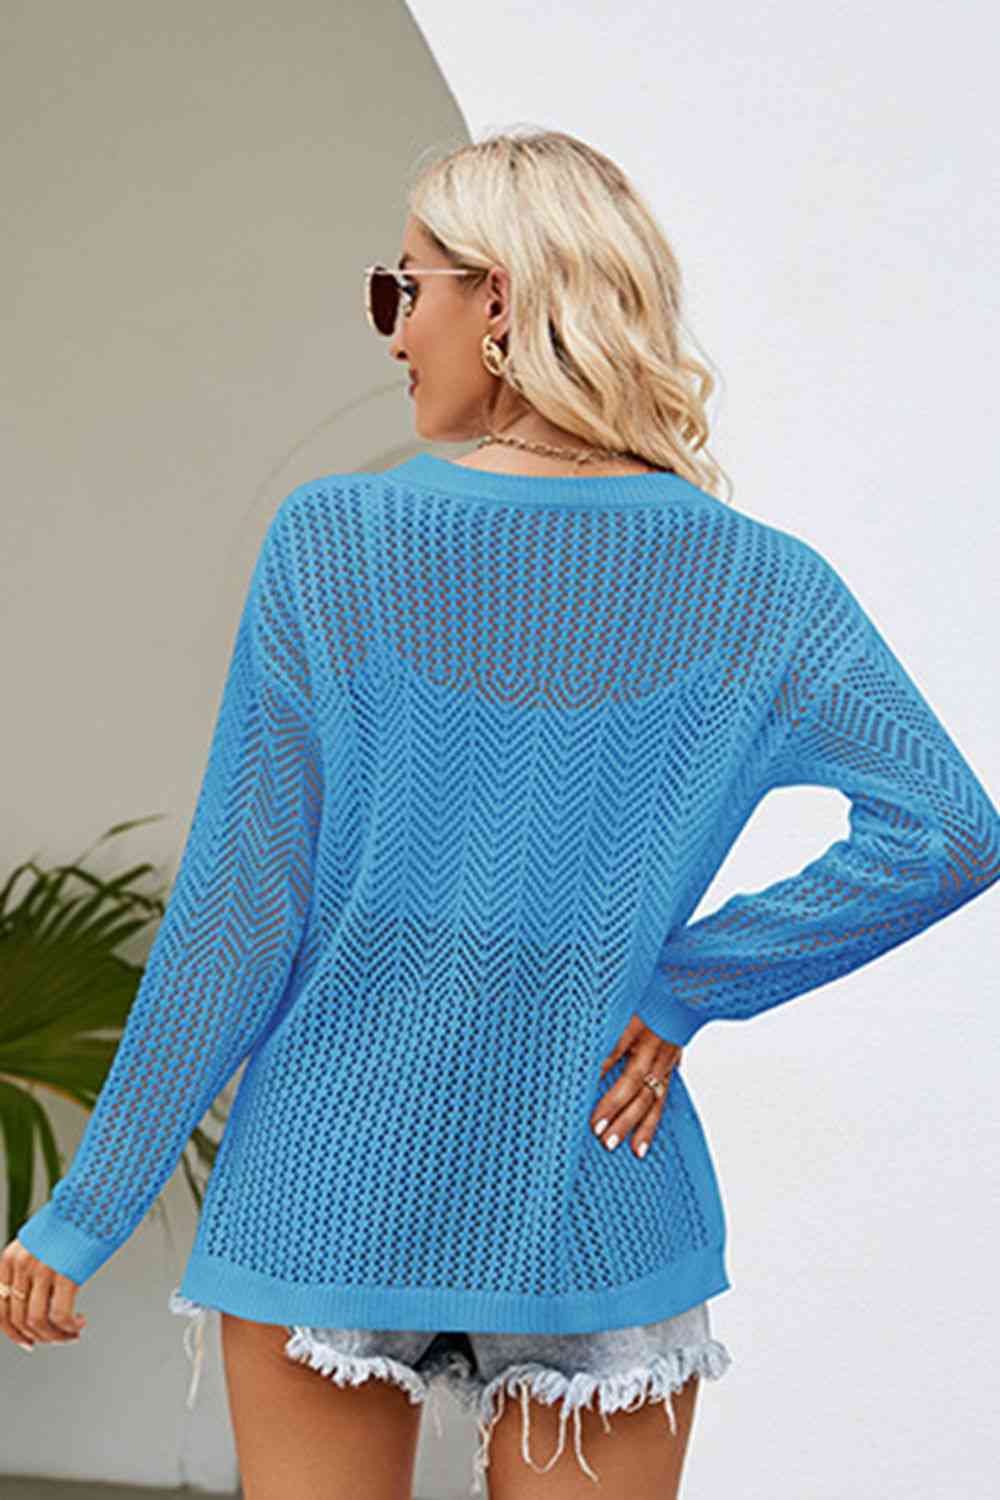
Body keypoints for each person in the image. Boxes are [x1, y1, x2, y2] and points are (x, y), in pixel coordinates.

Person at [4, 128, 999, 1500]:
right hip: (595, 1174)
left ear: (503, 300)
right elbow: (946, 828)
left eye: (404, 288)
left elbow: (241, 911)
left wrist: (84, 1213)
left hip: (329, 1173)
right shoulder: (759, 583)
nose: (392, 332)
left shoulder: (336, 542)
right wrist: (686, 987)